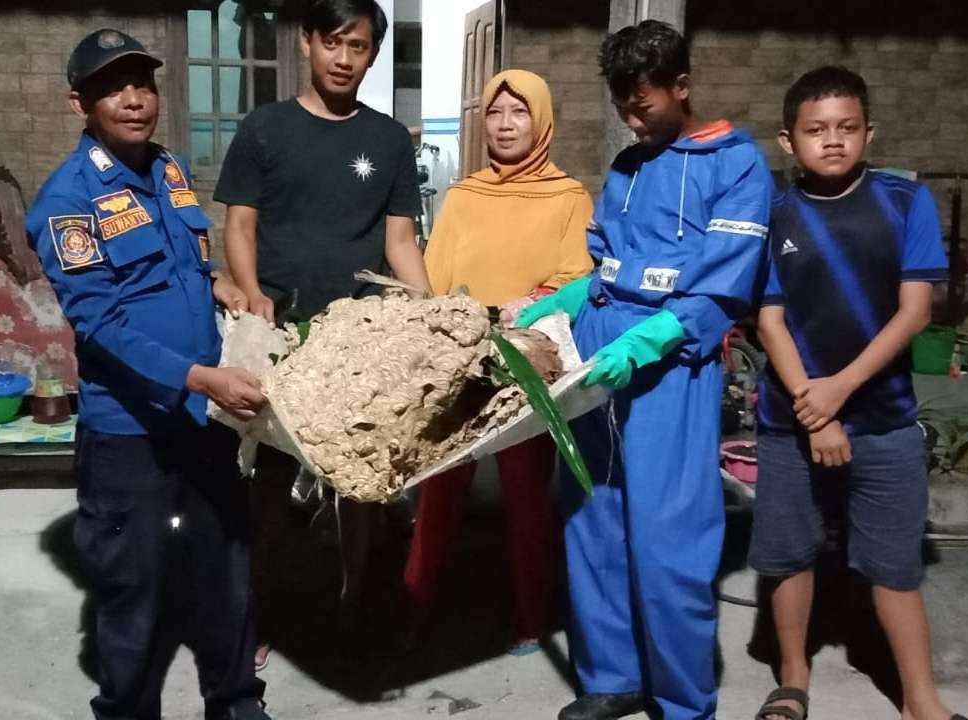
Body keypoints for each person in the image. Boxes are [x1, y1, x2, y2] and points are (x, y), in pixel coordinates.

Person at [518, 20, 773, 720]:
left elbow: (723, 286)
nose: (633, 119)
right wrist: (560, 304)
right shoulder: (628, 167)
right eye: (623, 107)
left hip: (669, 364)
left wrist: (655, 333)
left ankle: (682, 700)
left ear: (681, 86)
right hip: (599, 350)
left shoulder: (736, 164)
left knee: (667, 536)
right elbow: (602, 264)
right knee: (591, 514)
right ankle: (612, 676)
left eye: (645, 105)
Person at [25, 29, 270, 720]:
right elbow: (100, 325)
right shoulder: (67, 202)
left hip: (203, 417)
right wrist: (199, 377)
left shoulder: (168, 169)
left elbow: (180, 266)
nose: (134, 101)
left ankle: (236, 703)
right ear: (81, 102)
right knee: (134, 588)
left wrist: (221, 284)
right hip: (130, 430)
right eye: (112, 88)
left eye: (143, 84)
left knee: (225, 567)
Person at [747, 66, 968, 720]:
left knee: (894, 565)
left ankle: (920, 701)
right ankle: (792, 679)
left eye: (846, 128)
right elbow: (768, 321)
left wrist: (837, 391)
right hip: (791, 421)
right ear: (787, 141)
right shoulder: (771, 213)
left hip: (884, 421)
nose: (832, 141)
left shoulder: (904, 202)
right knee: (788, 556)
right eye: (816, 130)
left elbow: (914, 314)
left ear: (868, 133)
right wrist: (813, 413)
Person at [214, 0, 430, 657]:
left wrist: (430, 312)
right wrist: (251, 293)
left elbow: (399, 239)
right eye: (332, 42)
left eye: (358, 46)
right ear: (307, 43)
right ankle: (258, 619)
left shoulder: (390, 139)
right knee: (271, 484)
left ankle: (359, 607)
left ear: (371, 53)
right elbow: (240, 224)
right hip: (283, 334)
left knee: (363, 481)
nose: (343, 58)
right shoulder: (265, 130)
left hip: (362, 337)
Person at [401, 69, 593, 654]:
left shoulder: (568, 197)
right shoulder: (463, 195)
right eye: (495, 113)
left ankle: (531, 616)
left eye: (519, 113)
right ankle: (416, 604)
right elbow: (434, 275)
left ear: (541, 120)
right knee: (439, 484)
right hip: (459, 353)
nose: (506, 125)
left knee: (527, 490)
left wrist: (527, 306)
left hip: (525, 359)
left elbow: (578, 276)